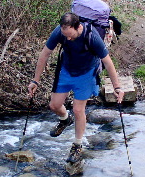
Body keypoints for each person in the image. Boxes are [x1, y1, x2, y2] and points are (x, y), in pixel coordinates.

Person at [28, 12, 125, 164]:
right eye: (65, 35)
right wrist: (35, 80)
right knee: (54, 105)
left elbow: (107, 62)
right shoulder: (60, 32)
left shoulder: (91, 36)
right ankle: (66, 120)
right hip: (66, 71)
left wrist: (117, 87)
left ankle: (77, 146)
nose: (67, 38)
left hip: (86, 75)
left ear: (78, 27)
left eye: (70, 35)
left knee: (78, 109)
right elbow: (44, 54)